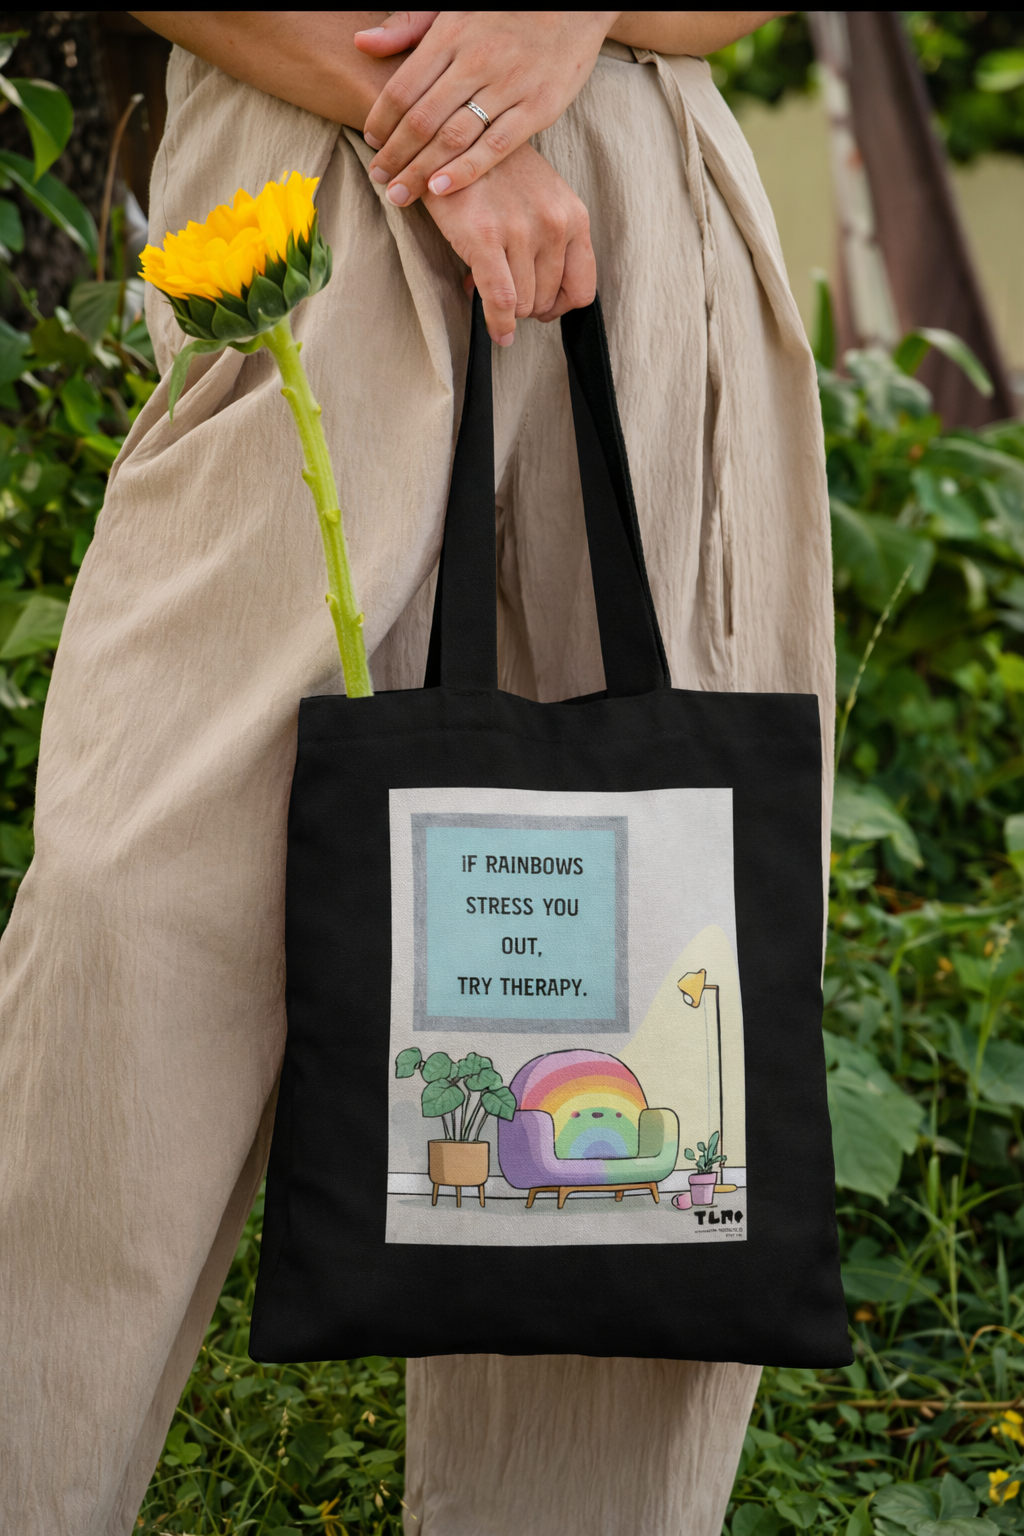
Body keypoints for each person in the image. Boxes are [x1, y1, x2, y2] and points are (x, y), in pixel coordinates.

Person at [0, 12, 835, 1534]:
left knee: (631, 971)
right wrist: (457, 138)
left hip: (647, 224)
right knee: (127, 928)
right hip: (302, 193)